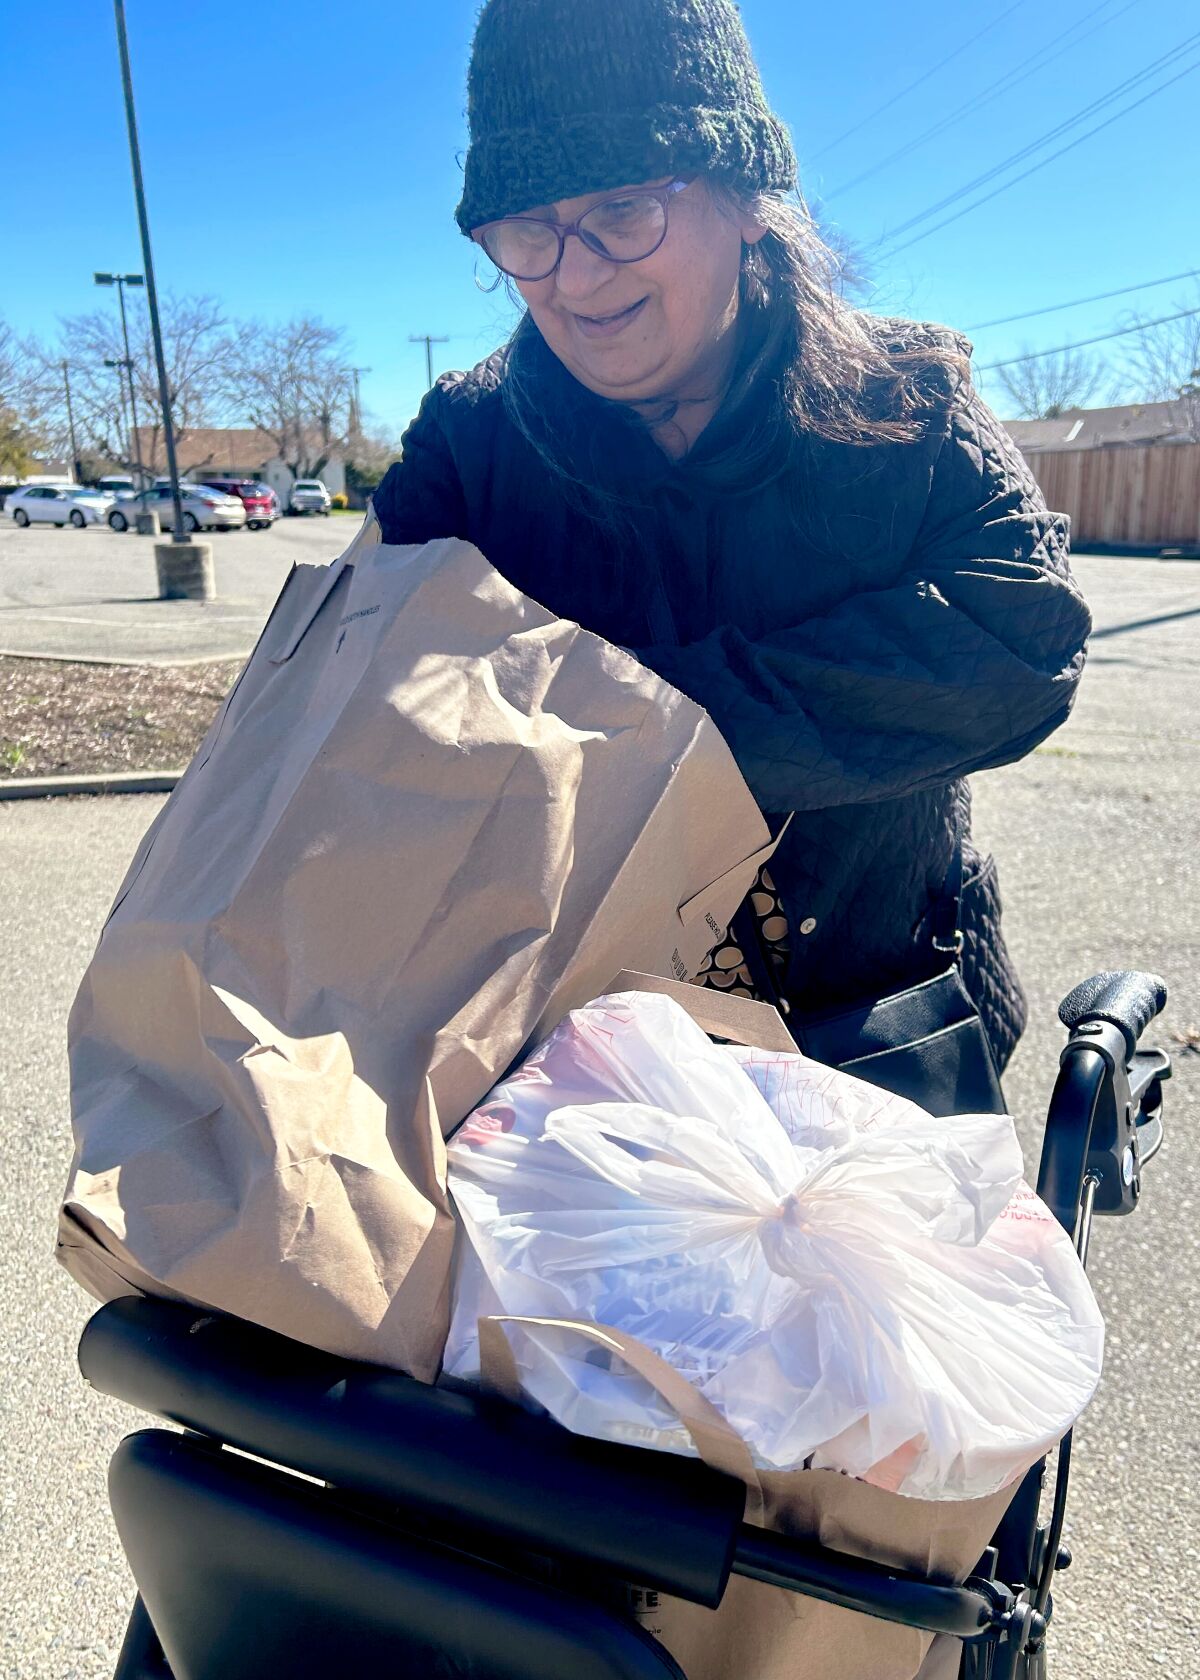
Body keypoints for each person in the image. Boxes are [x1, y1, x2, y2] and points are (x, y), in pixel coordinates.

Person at [372, 0, 1092, 1075]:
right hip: (568, 1060)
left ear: (748, 196)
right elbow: (363, 676)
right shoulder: (468, 441)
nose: (574, 278)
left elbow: (1021, 642)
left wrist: (633, 729)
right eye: (527, 229)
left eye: (621, 209)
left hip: (877, 1026)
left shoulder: (908, 402)